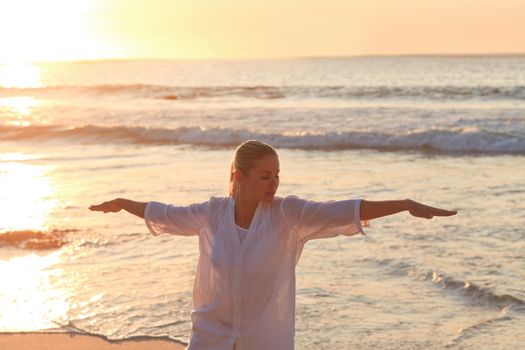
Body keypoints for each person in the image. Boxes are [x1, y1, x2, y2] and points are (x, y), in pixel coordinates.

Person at [89, 139, 457, 350]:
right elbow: (164, 214)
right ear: (239, 175)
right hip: (209, 338)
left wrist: (405, 204)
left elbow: (343, 210)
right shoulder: (211, 214)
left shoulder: (288, 214)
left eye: (277, 175)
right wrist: (123, 203)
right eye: (265, 176)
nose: (274, 183)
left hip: (265, 342)